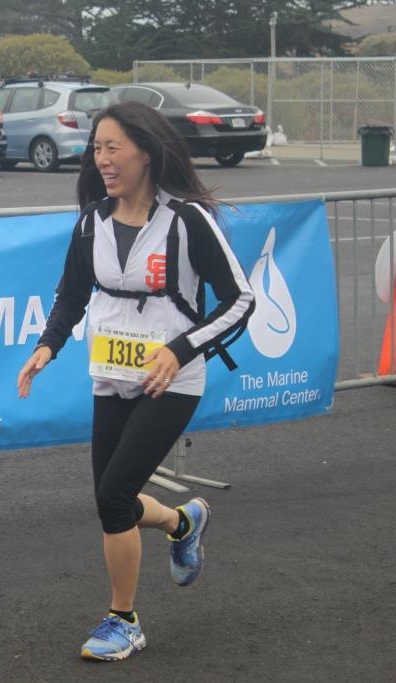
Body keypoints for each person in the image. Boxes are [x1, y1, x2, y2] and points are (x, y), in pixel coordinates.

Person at [16, 101, 255, 661]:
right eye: (96, 148)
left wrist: (180, 349)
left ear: (146, 152)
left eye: (113, 147)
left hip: (172, 380)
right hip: (112, 377)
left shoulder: (188, 220)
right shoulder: (90, 221)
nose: (102, 159)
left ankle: (124, 620)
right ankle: (182, 520)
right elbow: (72, 294)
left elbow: (240, 300)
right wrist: (46, 346)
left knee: (114, 493)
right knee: (111, 502)